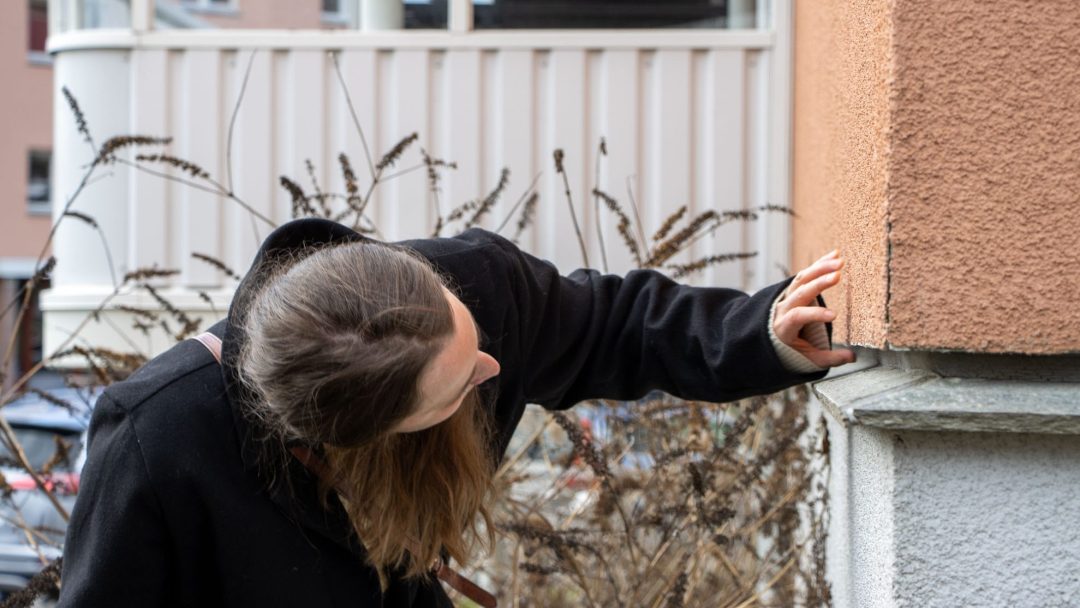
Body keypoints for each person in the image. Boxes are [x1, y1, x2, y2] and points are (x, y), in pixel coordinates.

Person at [58, 218, 853, 606]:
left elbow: (615, 326)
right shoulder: (152, 444)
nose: (493, 369)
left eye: (469, 340)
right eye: (459, 389)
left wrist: (760, 334)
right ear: (366, 435)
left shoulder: (476, 284)